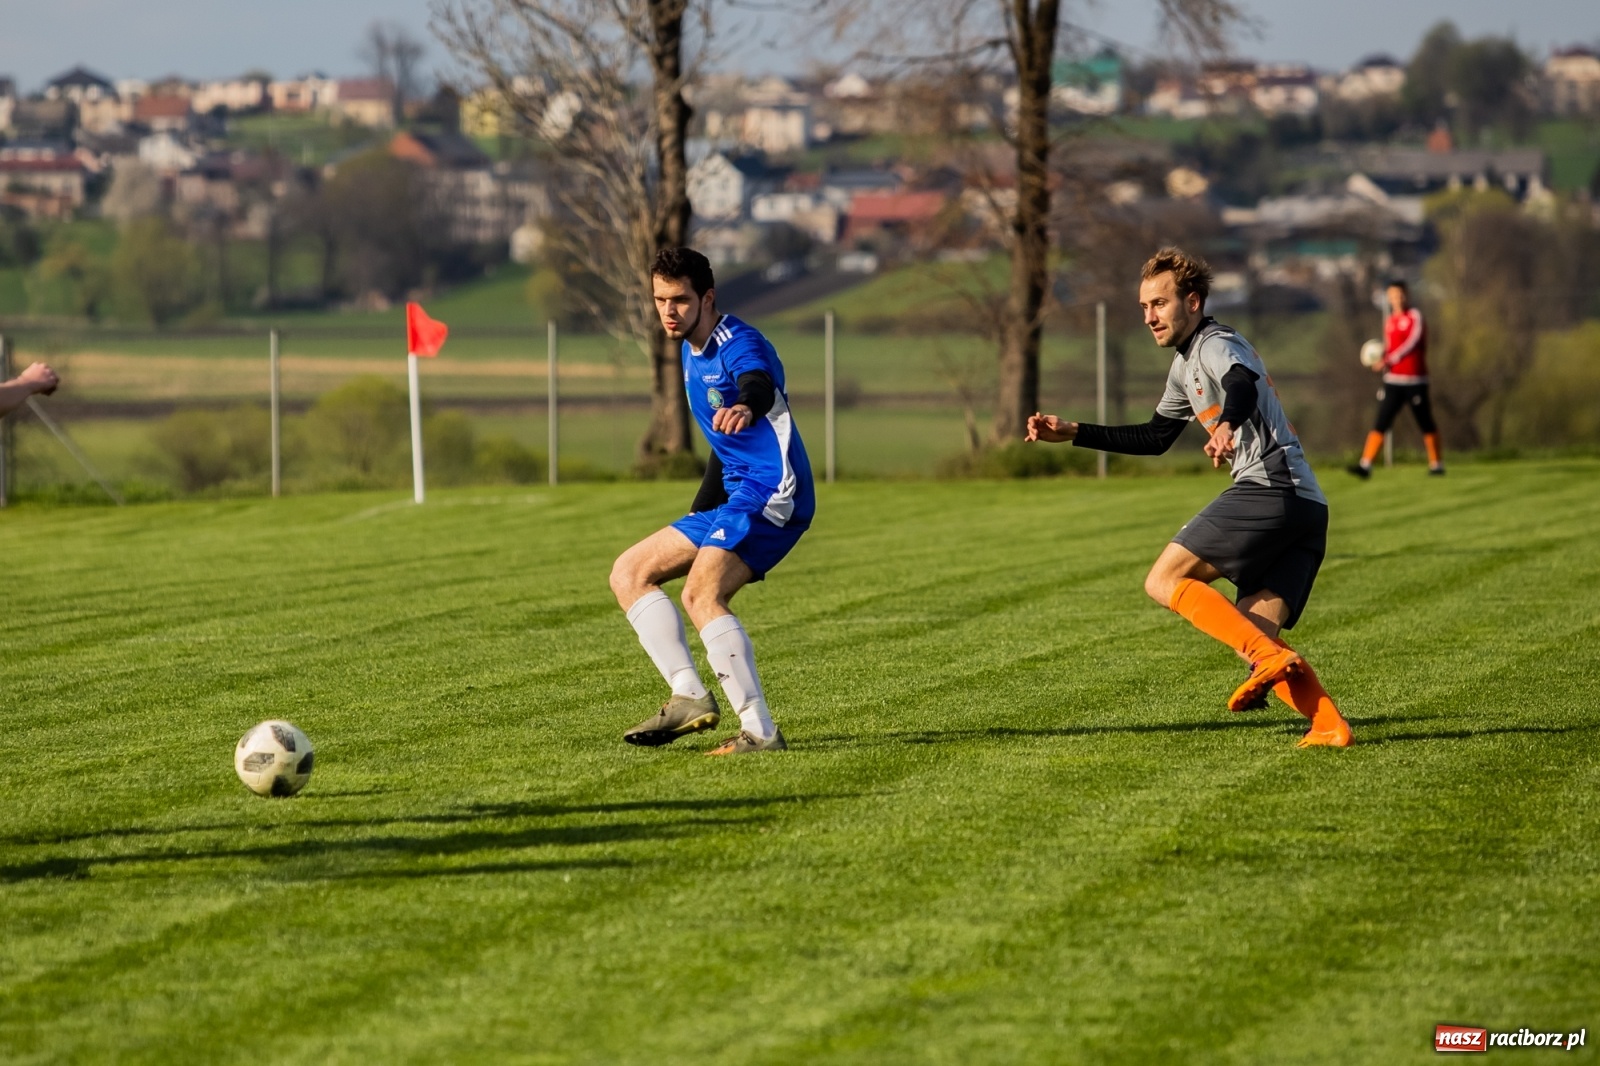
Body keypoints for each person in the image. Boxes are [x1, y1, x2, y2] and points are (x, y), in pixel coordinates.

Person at [1027, 247, 1352, 748]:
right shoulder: (1184, 367)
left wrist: (1226, 424)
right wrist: (1073, 431)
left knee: (1163, 580)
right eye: (1144, 307)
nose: (1149, 317)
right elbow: (1156, 437)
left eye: (1159, 303)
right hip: (1307, 508)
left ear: (1193, 302)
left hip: (1271, 489)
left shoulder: (1215, 344)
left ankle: (1273, 665)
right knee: (1252, 639)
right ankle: (1329, 725)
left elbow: (1241, 385)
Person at [608, 247, 815, 756]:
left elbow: (756, 380)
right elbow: (724, 452)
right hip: (737, 493)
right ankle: (689, 695)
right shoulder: (688, 348)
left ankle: (760, 733)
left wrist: (746, 404)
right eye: (660, 300)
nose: (668, 311)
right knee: (629, 573)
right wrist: (700, 510)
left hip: (774, 491)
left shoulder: (737, 341)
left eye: (679, 300)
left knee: (701, 594)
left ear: (707, 298)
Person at [1348, 279, 1444, 478]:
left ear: (1406, 295)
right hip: (1393, 381)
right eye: (1392, 296)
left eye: (1400, 295)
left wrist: (1389, 359)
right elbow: (1389, 347)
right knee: (1381, 420)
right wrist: (1380, 360)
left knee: (1425, 421)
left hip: (1415, 380)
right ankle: (1365, 465)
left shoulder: (1415, 316)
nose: (1397, 299)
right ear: (1389, 298)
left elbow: (1411, 343)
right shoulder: (1390, 321)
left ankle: (1436, 464)